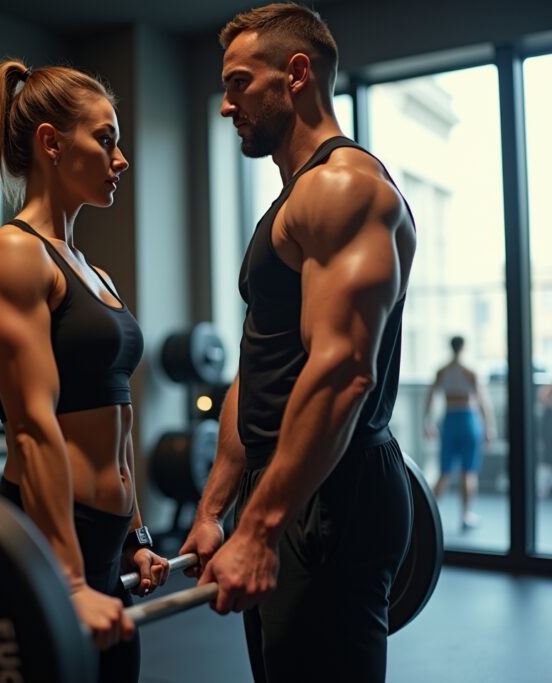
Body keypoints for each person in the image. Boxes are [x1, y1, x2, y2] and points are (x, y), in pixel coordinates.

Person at [179, 4, 417, 682]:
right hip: (287, 487)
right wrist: (216, 510)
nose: (227, 105)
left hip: (331, 490)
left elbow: (342, 371)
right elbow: (261, 369)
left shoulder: (343, 188)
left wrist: (258, 528)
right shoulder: (295, 199)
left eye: (239, 83)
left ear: (297, 74)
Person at [0, 59, 169, 683]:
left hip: (104, 541)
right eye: (105, 139)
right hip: (51, 539)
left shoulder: (91, 271)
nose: (121, 158)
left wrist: (136, 535)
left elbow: (116, 412)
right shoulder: (13, 255)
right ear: (51, 143)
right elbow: (32, 428)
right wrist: (71, 578)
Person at [423, 335, 496, 530]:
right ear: (463, 348)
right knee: (468, 471)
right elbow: (483, 401)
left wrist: (427, 422)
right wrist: (489, 427)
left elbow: (430, 398)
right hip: (468, 419)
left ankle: (426, 514)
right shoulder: (469, 371)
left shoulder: (442, 371)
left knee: (445, 471)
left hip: (449, 420)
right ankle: (465, 515)